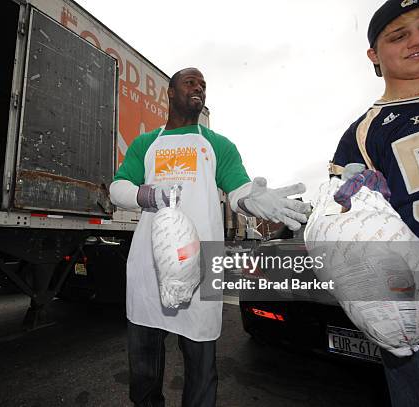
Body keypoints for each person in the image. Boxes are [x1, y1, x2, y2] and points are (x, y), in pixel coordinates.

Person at [110, 67, 311, 406]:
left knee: (201, 369)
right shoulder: (146, 143)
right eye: (191, 82)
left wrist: (253, 198)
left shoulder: (218, 144)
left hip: (201, 265)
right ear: (170, 92)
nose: (199, 88)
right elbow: (118, 188)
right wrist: (144, 195)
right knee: (144, 372)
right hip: (149, 265)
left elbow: (239, 190)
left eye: (203, 84)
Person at [329, 1, 419, 406]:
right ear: (374, 54)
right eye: (399, 35)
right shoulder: (362, 134)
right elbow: (338, 218)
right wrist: (356, 203)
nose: (417, 39)